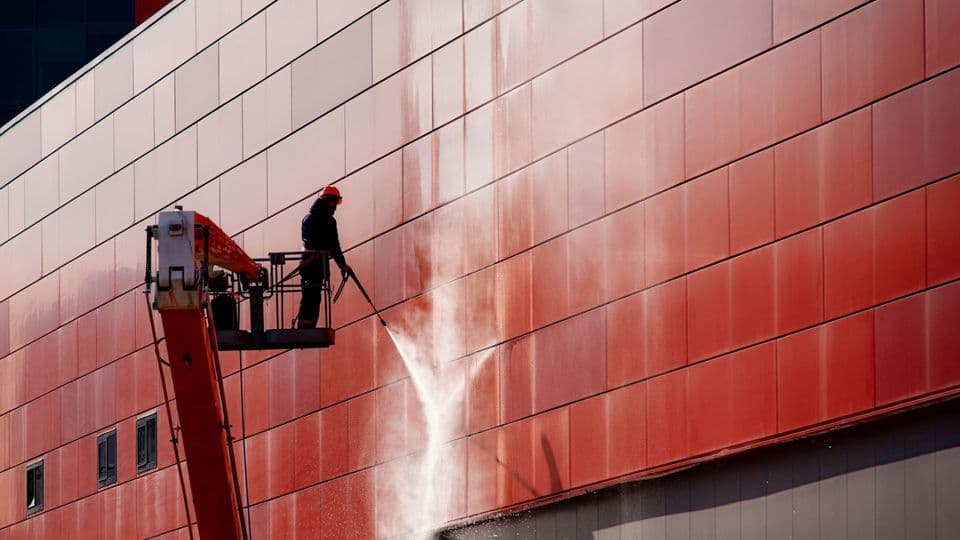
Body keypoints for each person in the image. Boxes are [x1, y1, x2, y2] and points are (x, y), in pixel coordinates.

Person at [295, 185, 350, 329]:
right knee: (313, 295)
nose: (334, 207)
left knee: (309, 295)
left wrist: (341, 263)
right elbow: (334, 245)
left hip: (308, 264)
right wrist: (342, 265)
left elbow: (314, 241)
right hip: (316, 264)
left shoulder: (308, 219)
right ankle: (306, 328)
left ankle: (305, 326)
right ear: (327, 202)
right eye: (333, 203)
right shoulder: (328, 222)